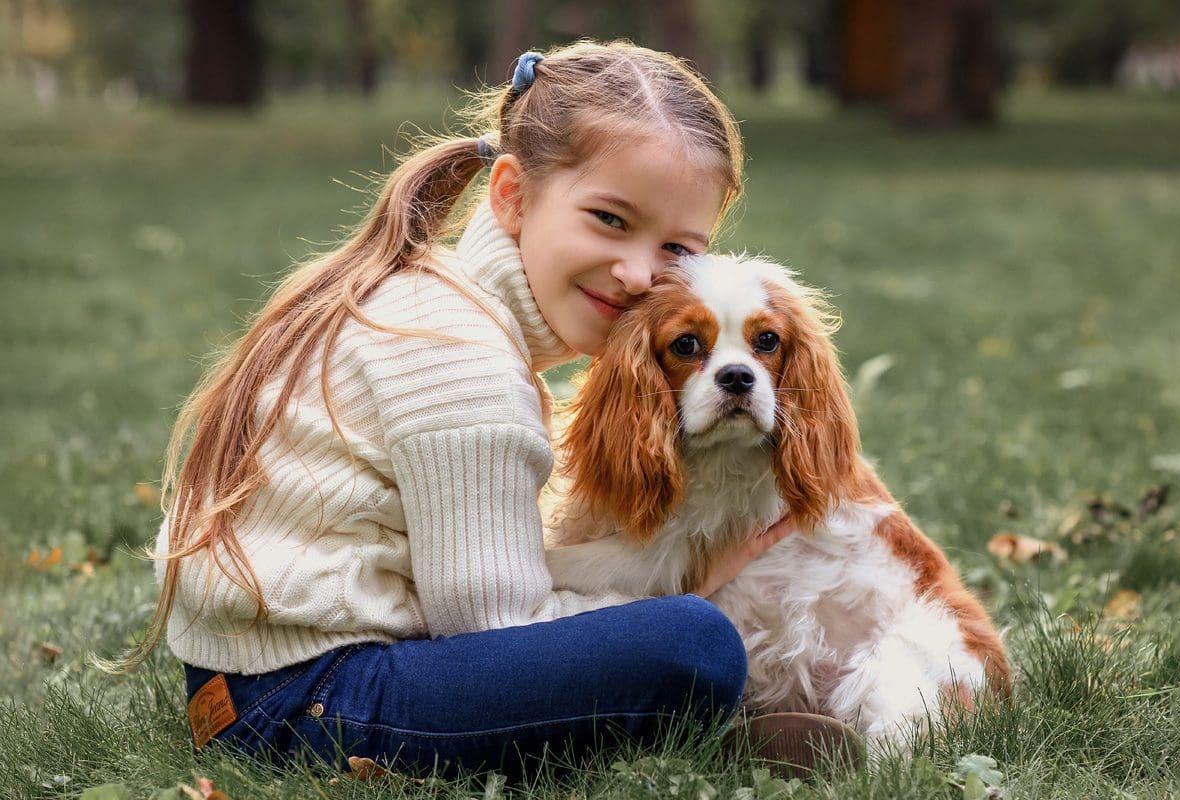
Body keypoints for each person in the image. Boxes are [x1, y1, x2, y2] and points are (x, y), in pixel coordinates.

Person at [110, 40, 856, 781]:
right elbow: (493, 629)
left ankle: (655, 723)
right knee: (693, 643)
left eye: (675, 248)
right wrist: (677, 582)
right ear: (510, 195)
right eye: (609, 219)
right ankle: (680, 722)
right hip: (308, 702)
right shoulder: (461, 358)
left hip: (244, 690)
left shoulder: (435, 298)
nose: (636, 273)